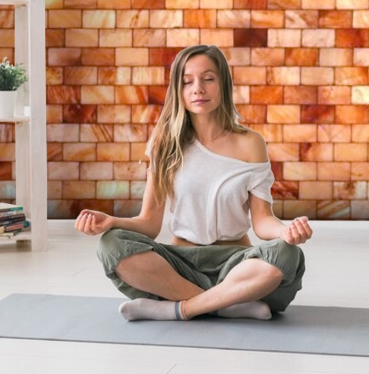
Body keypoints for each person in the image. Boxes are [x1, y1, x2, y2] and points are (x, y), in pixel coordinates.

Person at [75, 45, 312, 322]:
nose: (198, 88)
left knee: (287, 254)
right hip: (180, 264)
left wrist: (287, 231)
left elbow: (262, 221)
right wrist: (110, 222)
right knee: (111, 244)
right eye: (188, 82)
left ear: (223, 84)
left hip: (236, 264)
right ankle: (227, 303)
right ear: (179, 89)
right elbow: (149, 223)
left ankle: (180, 308)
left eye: (208, 79)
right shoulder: (164, 143)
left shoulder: (251, 143)